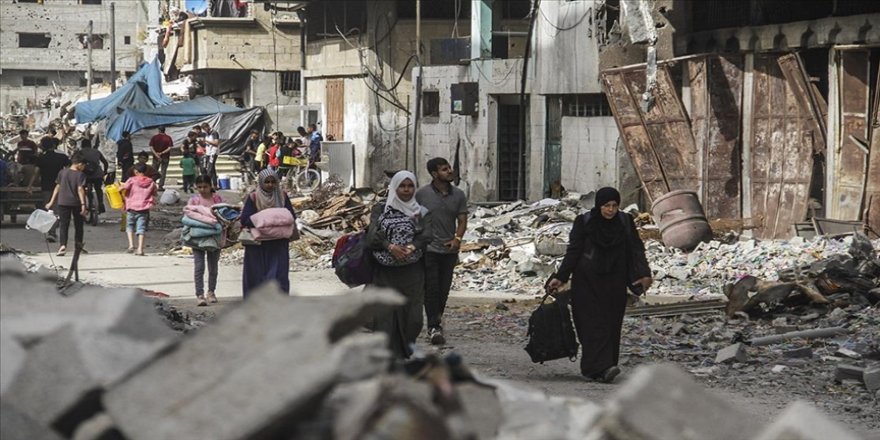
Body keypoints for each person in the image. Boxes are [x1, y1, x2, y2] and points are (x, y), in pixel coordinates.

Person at [545, 187, 652, 383]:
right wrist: (561, 277)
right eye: (606, 206)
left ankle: (605, 366)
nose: (610, 210)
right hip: (587, 282)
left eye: (614, 205)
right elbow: (574, 251)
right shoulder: (584, 222)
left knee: (611, 325)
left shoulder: (625, 222)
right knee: (591, 325)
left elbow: (636, 249)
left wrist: (644, 274)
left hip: (615, 282)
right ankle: (600, 367)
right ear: (598, 205)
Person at [366, 171, 430, 358]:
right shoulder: (381, 210)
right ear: (395, 187)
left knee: (414, 319)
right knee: (385, 317)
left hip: (412, 272)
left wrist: (411, 247)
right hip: (385, 272)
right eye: (402, 186)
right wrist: (390, 246)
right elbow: (372, 237)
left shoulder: (419, 211)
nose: (406, 190)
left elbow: (426, 235)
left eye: (410, 186)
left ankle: (405, 350)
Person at [415, 157, 468, 346]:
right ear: (435, 174)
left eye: (449, 168)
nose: (450, 171)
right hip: (429, 249)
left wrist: (457, 239)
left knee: (444, 289)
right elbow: (416, 219)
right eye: (445, 170)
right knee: (431, 288)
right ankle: (433, 326)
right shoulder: (422, 194)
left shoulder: (459, 195)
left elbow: (462, 220)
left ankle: (437, 319)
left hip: (449, 250)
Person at [240, 169, 296, 296]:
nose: (270, 185)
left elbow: (291, 216)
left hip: (278, 243)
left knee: (278, 276)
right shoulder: (254, 197)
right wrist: (268, 219)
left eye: (273, 182)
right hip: (257, 244)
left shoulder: (282, 196)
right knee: (255, 275)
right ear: (261, 183)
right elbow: (245, 219)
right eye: (267, 182)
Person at [189, 175, 224, 306]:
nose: (203, 189)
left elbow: (223, 214)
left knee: (213, 266)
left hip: (214, 237)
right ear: (195, 187)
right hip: (198, 238)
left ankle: (211, 292)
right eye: (199, 187)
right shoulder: (194, 200)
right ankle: (199, 294)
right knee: (199, 266)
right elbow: (189, 215)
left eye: (205, 186)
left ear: (211, 186)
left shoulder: (217, 199)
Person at [45, 152, 88, 256]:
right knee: (79, 225)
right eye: (84, 165)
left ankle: (62, 246)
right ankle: (78, 246)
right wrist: (83, 205)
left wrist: (51, 201)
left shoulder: (62, 172)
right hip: (76, 203)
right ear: (79, 164)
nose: (84, 167)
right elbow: (80, 189)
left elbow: (57, 187)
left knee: (64, 225)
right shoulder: (80, 175)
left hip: (63, 202)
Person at [28, 139, 71, 242]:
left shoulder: (41, 159)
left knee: (49, 210)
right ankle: (54, 232)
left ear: (43, 147)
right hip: (61, 187)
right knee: (58, 209)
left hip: (46, 188)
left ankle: (52, 232)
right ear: (53, 146)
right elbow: (69, 170)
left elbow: (36, 173)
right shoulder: (62, 157)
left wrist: (29, 185)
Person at [122, 163, 158, 256]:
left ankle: (131, 245)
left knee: (129, 226)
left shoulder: (131, 180)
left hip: (131, 207)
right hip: (144, 209)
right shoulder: (151, 182)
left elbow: (124, 187)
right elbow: (155, 193)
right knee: (141, 228)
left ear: (136, 171)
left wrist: (118, 187)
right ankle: (140, 249)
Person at [79, 139, 109, 214]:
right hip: (97, 174)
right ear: (90, 145)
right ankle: (101, 203)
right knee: (98, 189)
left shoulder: (79, 152)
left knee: (82, 188)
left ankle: (84, 204)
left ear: (82, 145)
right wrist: (104, 172)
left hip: (85, 175)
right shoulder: (96, 151)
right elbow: (105, 163)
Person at [202, 122, 220, 187]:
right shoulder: (206, 134)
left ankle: (207, 184)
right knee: (212, 168)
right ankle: (215, 184)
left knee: (209, 168)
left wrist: (207, 141)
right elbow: (206, 144)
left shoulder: (214, 133)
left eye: (205, 128)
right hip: (208, 152)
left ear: (208, 126)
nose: (205, 130)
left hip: (213, 152)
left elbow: (216, 143)